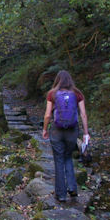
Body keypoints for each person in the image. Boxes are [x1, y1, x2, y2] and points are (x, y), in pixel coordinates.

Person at [42, 70, 90, 202]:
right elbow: (83, 114)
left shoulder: (52, 94)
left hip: (57, 131)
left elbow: (47, 115)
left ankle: (61, 194)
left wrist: (45, 129)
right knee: (68, 157)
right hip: (72, 131)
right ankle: (72, 188)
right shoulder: (77, 93)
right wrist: (86, 133)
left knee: (58, 160)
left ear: (57, 80)